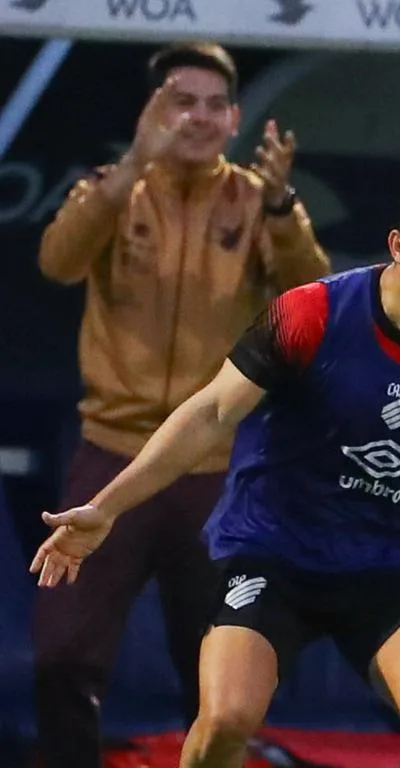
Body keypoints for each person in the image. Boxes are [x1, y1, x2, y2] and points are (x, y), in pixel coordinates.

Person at [29, 174, 400, 768]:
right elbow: (211, 411)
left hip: (395, 566)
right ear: (399, 247)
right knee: (223, 721)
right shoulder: (312, 314)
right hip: (278, 554)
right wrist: (107, 506)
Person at [32, 41, 329, 768]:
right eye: (178, 101)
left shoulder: (262, 201)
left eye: (211, 105)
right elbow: (57, 261)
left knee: (218, 677)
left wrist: (285, 208)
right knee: (62, 656)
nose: (195, 118)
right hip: (111, 460)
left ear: (234, 117)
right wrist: (132, 165)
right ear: (151, 113)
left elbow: (313, 295)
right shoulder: (113, 189)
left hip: (216, 468)